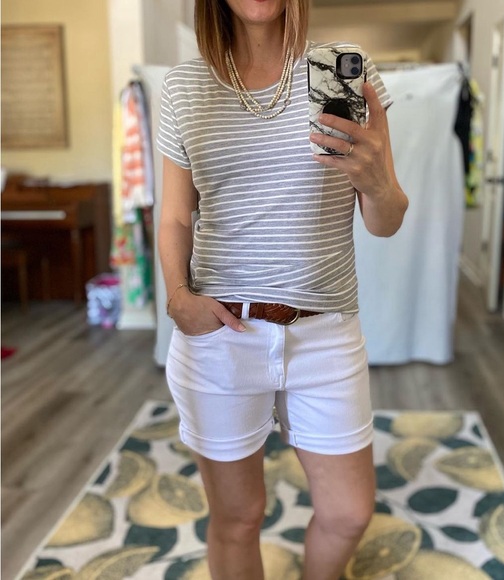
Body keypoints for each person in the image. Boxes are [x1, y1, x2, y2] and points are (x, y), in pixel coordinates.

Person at [157, 0, 408, 578]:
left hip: (325, 331)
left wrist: (377, 182)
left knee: (348, 513)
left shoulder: (346, 70)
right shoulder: (184, 86)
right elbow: (173, 215)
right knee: (237, 518)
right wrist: (177, 296)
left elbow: (385, 221)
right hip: (220, 333)